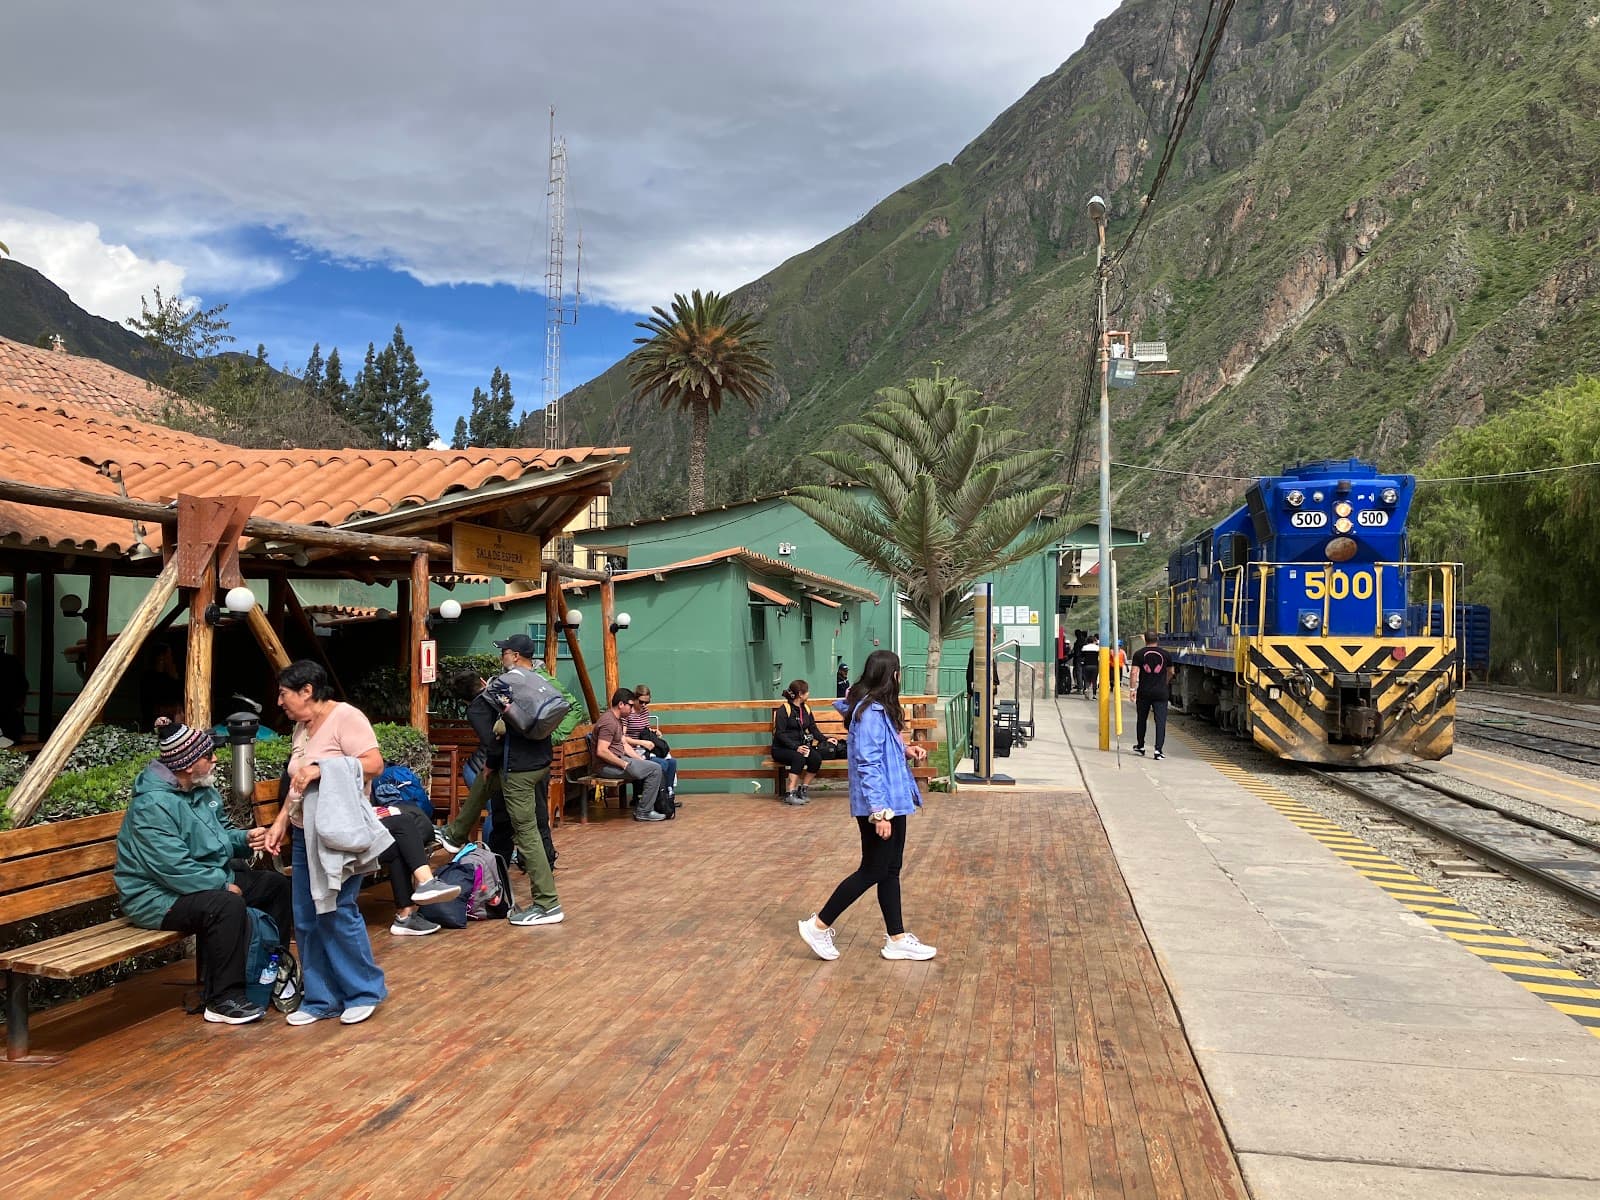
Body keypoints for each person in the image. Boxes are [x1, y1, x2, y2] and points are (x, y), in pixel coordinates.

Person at [114, 718, 291, 1025]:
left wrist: (246, 840)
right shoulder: (152, 806)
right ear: (188, 764)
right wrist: (223, 885)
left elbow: (221, 834)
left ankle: (270, 972)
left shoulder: (201, 790)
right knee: (226, 904)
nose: (215, 761)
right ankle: (222, 998)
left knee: (275, 885)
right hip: (156, 897)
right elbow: (173, 868)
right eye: (209, 756)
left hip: (203, 880)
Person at [264, 660, 390, 1026]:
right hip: (306, 834)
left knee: (336, 910)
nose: (279, 702)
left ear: (307, 691)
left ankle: (363, 991)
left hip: (340, 835)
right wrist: (280, 822)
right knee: (304, 917)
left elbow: (374, 763)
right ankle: (321, 999)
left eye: (284, 694)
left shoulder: (345, 717)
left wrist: (322, 768)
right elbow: (298, 782)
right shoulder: (302, 729)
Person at [798, 650, 935, 963]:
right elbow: (868, 762)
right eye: (898, 672)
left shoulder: (877, 709)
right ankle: (818, 926)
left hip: (893, 800)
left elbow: (881, 749)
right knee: (873, 869)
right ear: (891, 675)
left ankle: (897, 938)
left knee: (890, 869)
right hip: (882, 804)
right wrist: (879, 813)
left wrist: (905, 748)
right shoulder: (870, 712)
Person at [487, 634, 576, 923]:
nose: (502, 657)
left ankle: (547, 904)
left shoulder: (509, 683)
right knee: (534, 827)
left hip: (520, 767)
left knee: (527, 836)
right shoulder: (543, 681)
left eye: (504, 652)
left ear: (514, 655)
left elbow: (502, 726)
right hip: (541, 763)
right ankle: (455, 832)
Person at [371, 794, 461, 935]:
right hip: (339, 833)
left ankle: (405, 916)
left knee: (397, 841)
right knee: (404, 822)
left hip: (353, 826)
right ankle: (426, 881)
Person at [593, 687, 667, 822]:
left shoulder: (617, 719)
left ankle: (647, 806)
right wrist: (624, 764)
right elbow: (601, 751)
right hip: (606, 767)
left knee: (653, 766)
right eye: (631, 705)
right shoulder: (608, 722)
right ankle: (644, 811)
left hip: (618, 760)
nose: (633, 709)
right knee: (655, 770)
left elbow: (624, 744)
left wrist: (640, 760)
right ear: (621, 704)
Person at [770, 679, 835, 806]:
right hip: (781, 749)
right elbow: (780, 734)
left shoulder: (805, 708)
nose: (808, 694)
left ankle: (803, 789)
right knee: (798, 757)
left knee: (815, 758)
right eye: (807, 691)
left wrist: (825, 739)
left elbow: (813, 728)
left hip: (800, 746)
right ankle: (790, 793)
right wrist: (796, 747)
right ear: (800, 694)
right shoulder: (784, 710)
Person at [623, 684, 677, 810]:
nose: (643, 705)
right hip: (633, 749)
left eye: (646, 702)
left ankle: (667, 795)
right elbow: (622, 737)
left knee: (672, 762)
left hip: (645, 747)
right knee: (661, 764)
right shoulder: (627, 713)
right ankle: (654, 798)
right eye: (641, 702)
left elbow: (645, 729)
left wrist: (653, 732)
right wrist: (641, 742)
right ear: (635, 699)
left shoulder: (645, 711)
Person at [1130, 630, 1174, 761]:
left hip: (1144, 692)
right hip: (1161, 692)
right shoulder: (1166, 654)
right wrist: (1164, 682)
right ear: (1157, 639)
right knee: (1160, 722)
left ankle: (1140, 746)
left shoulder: (1139, 654)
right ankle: (1158, 750)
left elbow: (1133, 672)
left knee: (1141, 719)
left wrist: (1132, 689)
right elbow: (1171, 671)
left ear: (1144, 639)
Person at [0, 639, 28, 743]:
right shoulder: (11, 661)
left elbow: (23, 685)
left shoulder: (11, 661)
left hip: (9, 712)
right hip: (10, 714)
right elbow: (23, 685)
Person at [1079, 631, 1101, 700]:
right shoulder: (1097, 648)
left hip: (1086, 665)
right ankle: (1094, 695)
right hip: (1095, 666)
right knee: (1094, 680)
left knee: (1087, 680)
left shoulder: (1084, 647)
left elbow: (1081, 656)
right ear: (1093, 641)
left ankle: (1087, 690)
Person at [1069, 629, 1088, 694]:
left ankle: (1080, 688)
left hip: (1078, 659)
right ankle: (1086, 688)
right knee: (1085, 674)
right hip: (1085, 659)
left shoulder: (1077, 642)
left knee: (1079, 674)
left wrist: (1070, 655)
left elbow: (1076, 653)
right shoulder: (1086, 641)